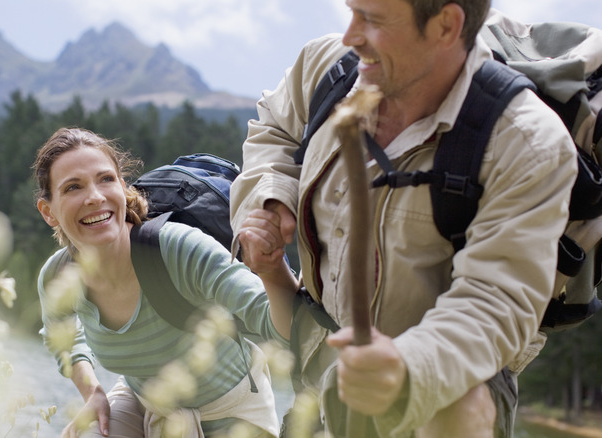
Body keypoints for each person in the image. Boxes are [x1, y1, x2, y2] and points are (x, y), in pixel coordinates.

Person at [229, 0, 578, 436]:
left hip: (447, 387)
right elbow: (273, 129)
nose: (350, 36)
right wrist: (269, 198)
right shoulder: (329, 68)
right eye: (352, 12)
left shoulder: (527, 142)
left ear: (446, 25)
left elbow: (495, 300)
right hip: (319, 372)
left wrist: (406, 370)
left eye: (372, 20)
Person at [32, 127, 299, 438]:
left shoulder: (178, 249)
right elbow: (60, 335)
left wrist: (272, 267)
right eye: (73, 187)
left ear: (121, 186)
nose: (94, 197)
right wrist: (93, 392)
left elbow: (281, 326)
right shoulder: (59, 276)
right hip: (143, 403)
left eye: (105, 179)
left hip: (230, 414)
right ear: (48, 212)